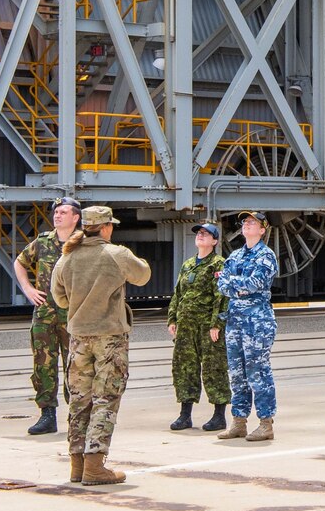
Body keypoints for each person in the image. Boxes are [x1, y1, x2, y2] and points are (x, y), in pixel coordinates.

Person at [50, 206, 151, 485]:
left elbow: (59, 299)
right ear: (106, 227)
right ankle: (95, 466)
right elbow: (143, 275)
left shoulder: (66, 258)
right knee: (105, 399)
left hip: (79, 338)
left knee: (79, 401)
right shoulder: (116, 254)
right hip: (109, 338)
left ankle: (77, 465)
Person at [13, 197, 82, 436]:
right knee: (43, 364)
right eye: (56, 212)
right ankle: (47, 415)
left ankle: (77, 416)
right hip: (44, 314)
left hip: (73, 314)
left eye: (64, 212)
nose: (58, 215)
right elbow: (20, 263)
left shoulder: (84, 243)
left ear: (76, 217)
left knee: (76, 365)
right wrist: (28, 289)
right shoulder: (43, 242)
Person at [217, 211, 280, 442]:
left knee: (258, 371)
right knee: (236, 373)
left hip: (257, 322)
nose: (246, 224)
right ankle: (239, 421)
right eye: (245, 221)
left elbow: (256, 284)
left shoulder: (266, 255)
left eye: (252, 222)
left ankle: (265, 423)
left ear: (262, 230)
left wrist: (235, 285)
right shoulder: (234, 255)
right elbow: (222, 285)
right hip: (235, 321)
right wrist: (238, 286)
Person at [168, 223, 229, 432]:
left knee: (214, 369)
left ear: (215, 241)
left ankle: (219, 416)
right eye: (199, 233)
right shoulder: (188, 264)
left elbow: (221, 297)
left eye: (206, 234)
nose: (201, 236)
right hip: (186, 327)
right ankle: (185, 415)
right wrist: (172, 319)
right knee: (185, 369)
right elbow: (178, 294)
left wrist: (216, 324)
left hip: (206, 327)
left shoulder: (218, 265)